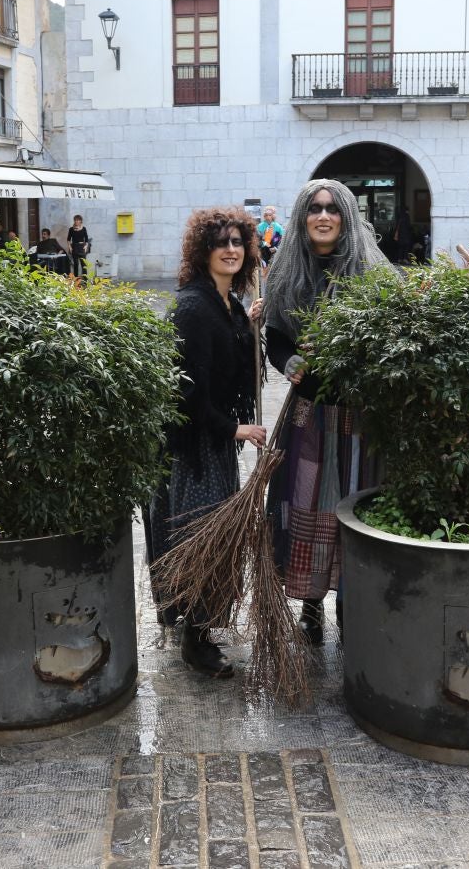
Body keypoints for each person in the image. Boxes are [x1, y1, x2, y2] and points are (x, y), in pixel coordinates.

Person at [263, 179, 389, 644]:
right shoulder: (285, 270)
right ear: (301, 217)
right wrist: (290, 361)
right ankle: (311, 605)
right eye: (314, 208)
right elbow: (275, 337)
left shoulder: (373, 271)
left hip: (360, 415)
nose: (323, 216)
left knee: (357, 502)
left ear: (346, 217)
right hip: (310, 415)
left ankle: (354, 603)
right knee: (308, 501)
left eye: (332, 208)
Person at [147, 208, 268, 677]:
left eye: (238, 242)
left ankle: (190, 623)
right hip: (191, 448)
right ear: (203, 251)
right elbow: (186, 390)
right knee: (201, 537)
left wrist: (250, 325)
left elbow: (238, 366)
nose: (231, 249)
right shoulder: (193, 307)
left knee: (203, 535)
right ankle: (196, 641)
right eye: (221, 242)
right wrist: (234, 430)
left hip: (211, 446)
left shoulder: (228, 304)